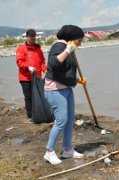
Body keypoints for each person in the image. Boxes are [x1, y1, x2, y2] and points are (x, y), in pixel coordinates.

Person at [43, 25, 86, 165]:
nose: (81, 42)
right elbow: (53, 64)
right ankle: (49, 152)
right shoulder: (59, 46)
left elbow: (63, 72)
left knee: (69, 120)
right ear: (72, 39)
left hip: (66, 88)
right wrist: (68, 50)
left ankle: (67, 149)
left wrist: (77, 80)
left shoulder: (70, 48)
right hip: (54, 89)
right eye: (79, 40)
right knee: (61, 120)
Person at [16, 29, 47, 122]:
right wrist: (28, 67)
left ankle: (37, 113)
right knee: (28, 96)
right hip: (25, 77)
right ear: (27, 37)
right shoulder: (21, 48)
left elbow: (42, 62)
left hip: (37, 77)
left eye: (34, 36)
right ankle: (30, 116)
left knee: (37, 96)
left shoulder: (38, 49)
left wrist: (46, 71)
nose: (33, 38)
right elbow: (19, 62)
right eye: (31, 36)